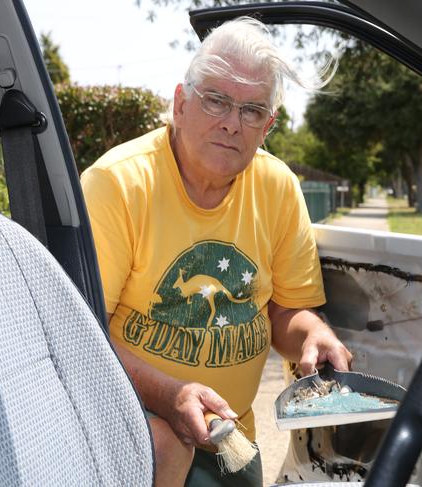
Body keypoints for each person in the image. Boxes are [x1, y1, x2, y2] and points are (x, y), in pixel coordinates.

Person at [81, 16, 352, 487]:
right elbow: (81, 336)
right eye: (216, 100)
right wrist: (170, 395)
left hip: (230, 433)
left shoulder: (278, 187)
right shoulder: (117, 185)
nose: (231, 123)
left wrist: (313, 335)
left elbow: (286, 311)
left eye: (251, 111)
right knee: (166, 446)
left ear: (267, 126)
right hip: (135, 424)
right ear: (180, 104)